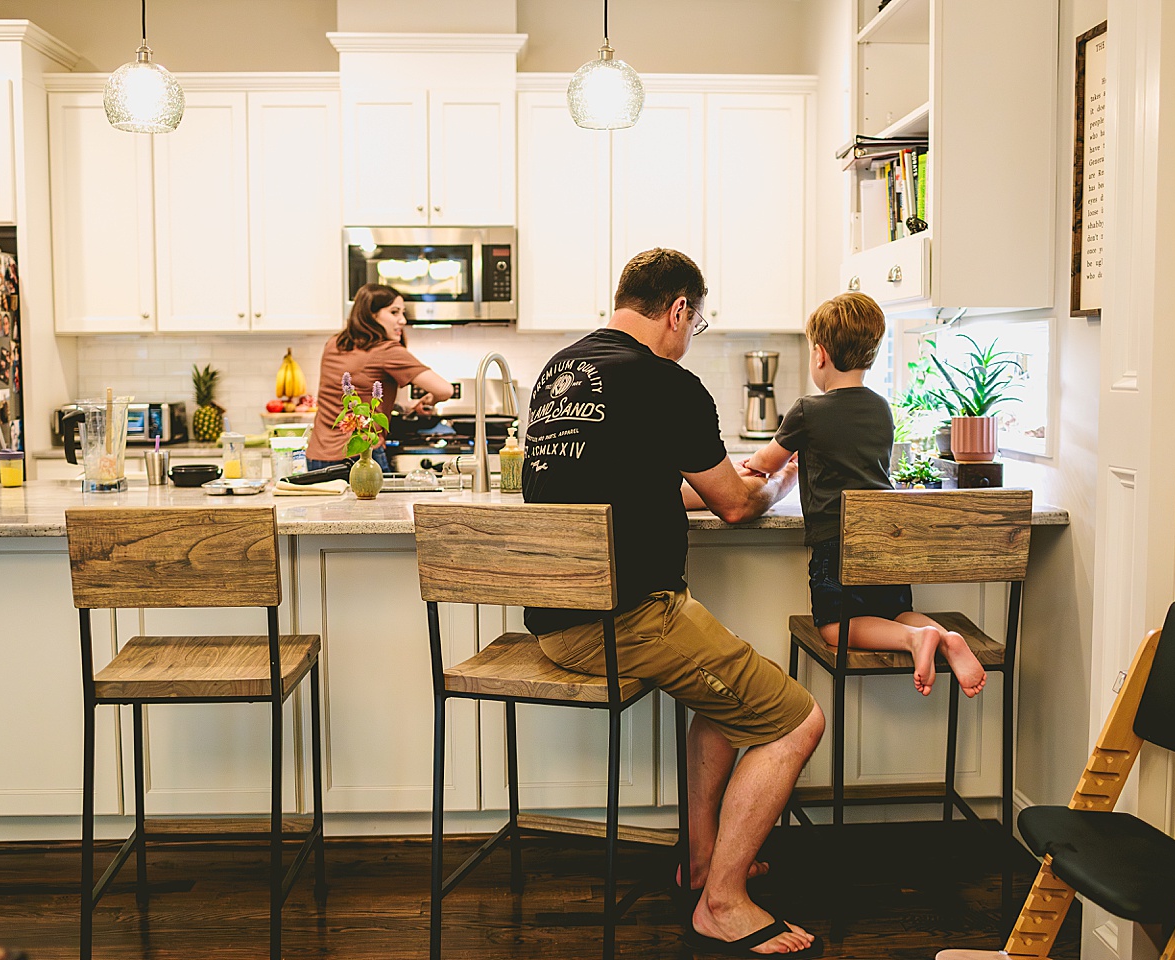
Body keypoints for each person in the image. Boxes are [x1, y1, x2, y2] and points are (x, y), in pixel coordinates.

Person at [523, 248, 825, 958]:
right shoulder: (667, 382)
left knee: (721, 698)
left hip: (557, 621)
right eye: (696, 319)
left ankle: (700, 859)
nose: (692, 334)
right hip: (629, 620)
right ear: (679, 309)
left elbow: (628, 483)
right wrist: (773, 484)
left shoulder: (558, 373)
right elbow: (735, 508)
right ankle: (721, 903)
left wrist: (727, 485)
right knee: (796, 723)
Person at [743, 292, 987, 698]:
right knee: (897, 612)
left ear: (819, 355)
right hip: (887, 539)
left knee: (834, 627)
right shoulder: (881, 408)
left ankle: (916, 639)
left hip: (839, 544)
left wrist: (754, 465)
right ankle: (944, 637)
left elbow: (767, 461)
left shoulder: (807, 409)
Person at [306, 283, 453, 472]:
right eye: (394, 312)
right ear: (371, 315)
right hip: (361, 456)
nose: (402, 321)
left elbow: (360, 387)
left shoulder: (334, 343)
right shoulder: (386, 350)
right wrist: (430, 400)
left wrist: (406, 408)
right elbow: (445, 390)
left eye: (403, 313)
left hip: (317, 457)